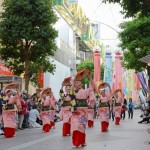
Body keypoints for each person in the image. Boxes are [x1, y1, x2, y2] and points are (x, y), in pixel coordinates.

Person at [71, 69, 94, 147]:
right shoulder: (73, 92)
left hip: (84, 112)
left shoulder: (85, 91)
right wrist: (74, 81)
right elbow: (71, 93)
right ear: (75, 84)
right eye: (77, 82)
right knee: (75, 126)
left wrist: (90, 77)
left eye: (79, 82)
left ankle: (82, 142)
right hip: (76, 111)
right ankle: (76, 142)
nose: (79, 83)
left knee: (82, 126)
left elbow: (92, 87)